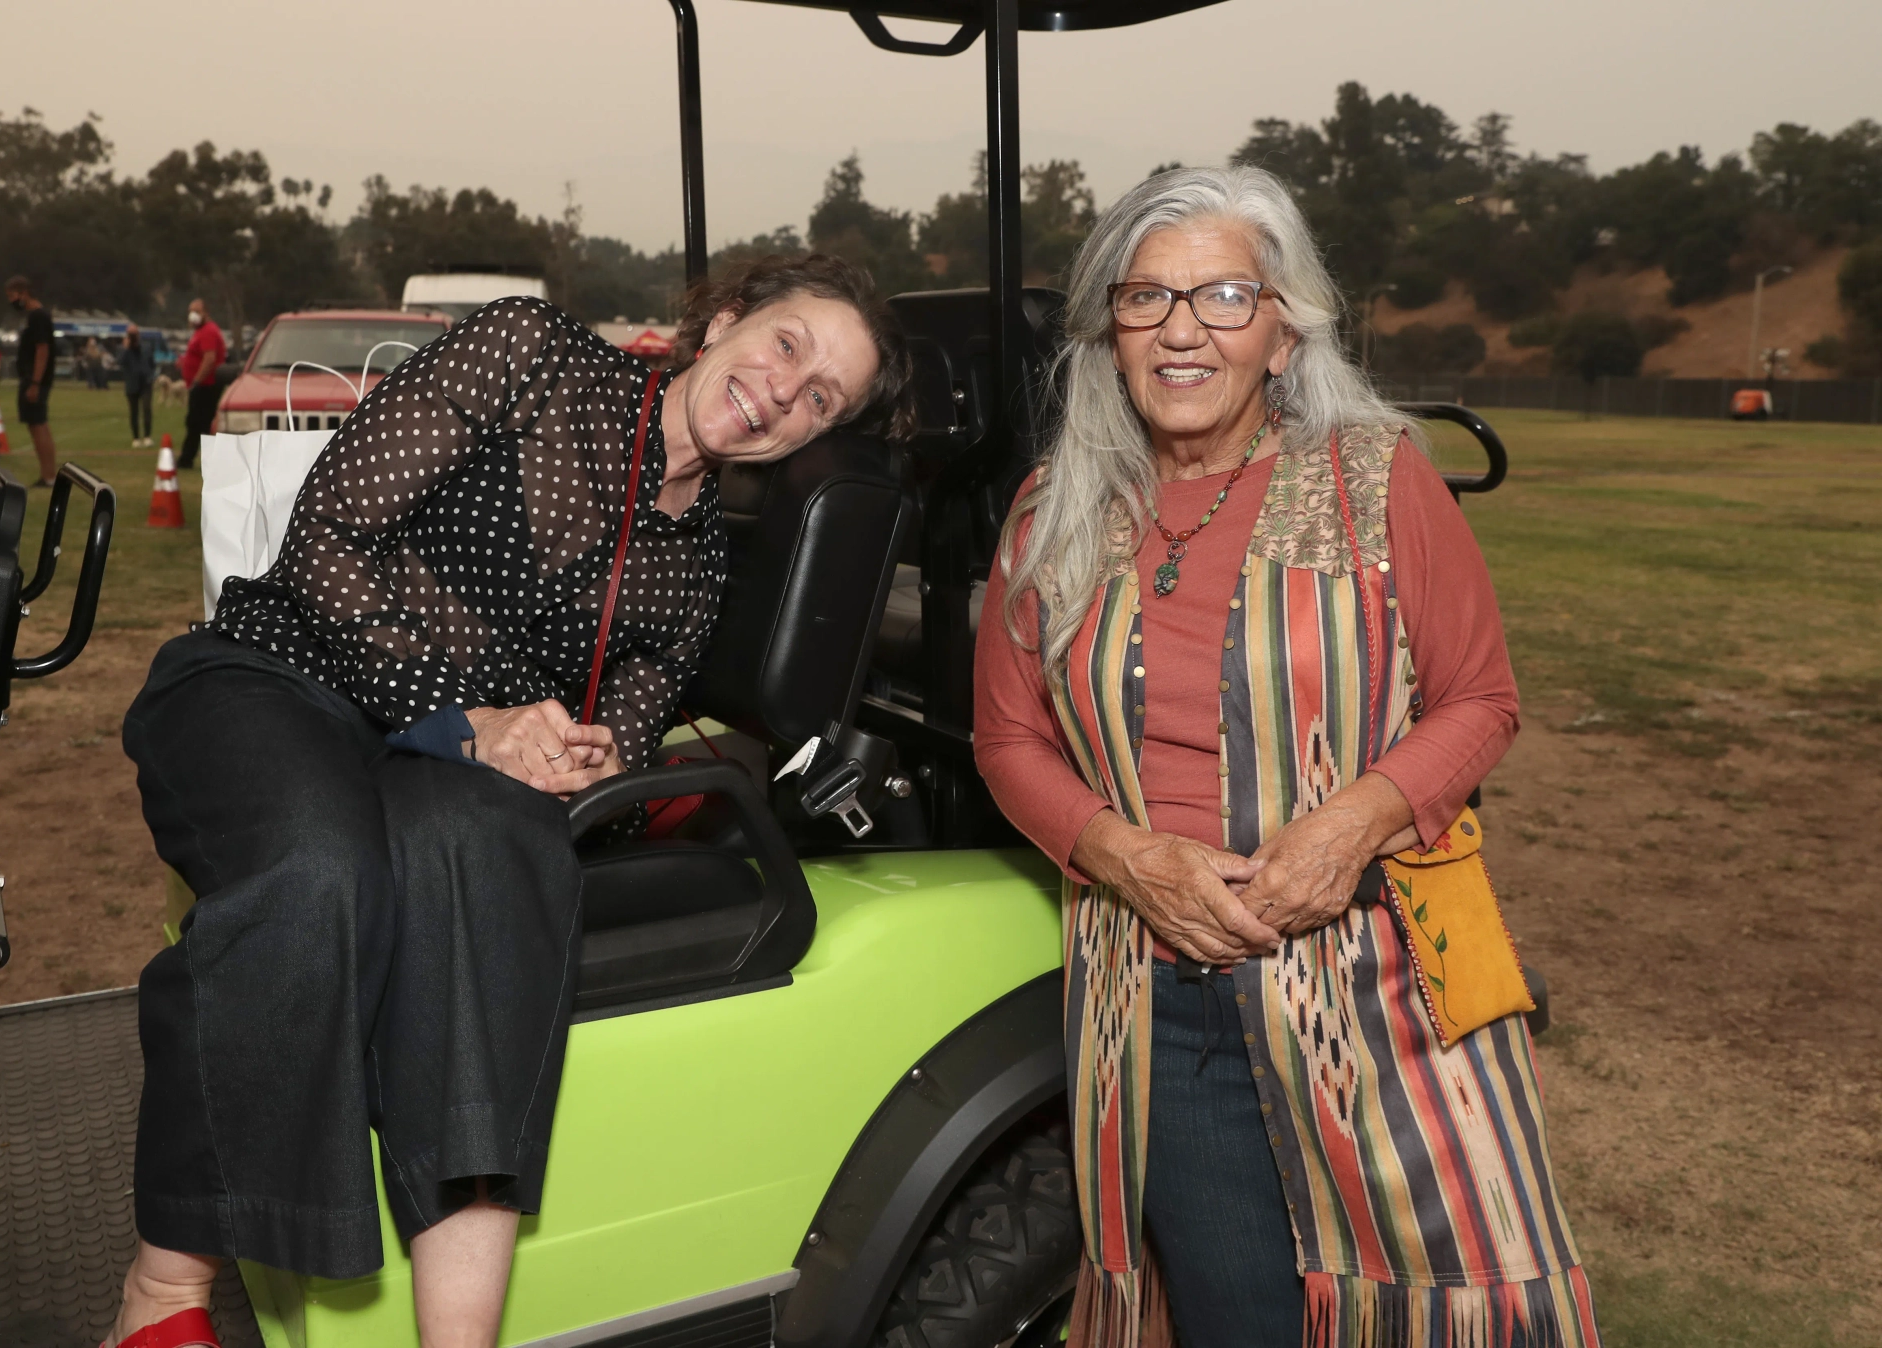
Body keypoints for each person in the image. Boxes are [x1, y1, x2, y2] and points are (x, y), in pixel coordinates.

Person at [108, 254, 913, 1348]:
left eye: (821, 396)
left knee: (495, 857)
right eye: (785, 344)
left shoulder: (697, 565)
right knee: (322, 865)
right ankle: (159, 1297)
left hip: (439, 767)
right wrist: (469, 717)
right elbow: (330, 538)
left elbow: (617, 742)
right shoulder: (528, 354)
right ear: (724, 319)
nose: (784, 389)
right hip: (278, 677)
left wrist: (582, 764)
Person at [973, 166, 1599, 1348]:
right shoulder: (1054, 506)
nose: (1182, 330)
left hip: (1379, 980)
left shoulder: (1378, 481)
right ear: (1109, 335)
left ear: (1282, 327)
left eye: (1221, 296)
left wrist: (1353, 820)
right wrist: (1126, 856)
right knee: (1239, 1315)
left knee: (1456, 1309)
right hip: (1154, 994)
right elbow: (1007, 739)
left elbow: (1481, 699)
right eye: (1147, 300)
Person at [4, 276, 58, 486]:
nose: (11, 301)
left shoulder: (38, 317)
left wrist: (35, 382)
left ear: (23, 293)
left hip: (35, 380)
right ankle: (47, 474)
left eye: (12, 296)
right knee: (35, 426)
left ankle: (49, 475)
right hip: (32, 379)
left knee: (38, 425)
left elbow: (42, 349)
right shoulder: (35, 317)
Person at [176, 297, 227, 469]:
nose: (193, 315)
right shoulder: (200, 332)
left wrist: (196, 381)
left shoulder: (208, 331)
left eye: (197, 311)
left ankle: (187, 459)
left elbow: (209, 359)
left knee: (197, 422)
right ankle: (206, 459)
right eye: (191, 311)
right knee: (201, 423)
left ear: (206, 313)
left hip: (206, 385)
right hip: (202, 385)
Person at [119, 325, 157, 446]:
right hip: (132, 384)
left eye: (134, 334)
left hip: (145, 383)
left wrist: (150, 376)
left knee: (146, 409)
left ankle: (147, 436)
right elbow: (120, 362)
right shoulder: (124, 349)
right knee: (134, 412)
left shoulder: (146, 347)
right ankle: (135, 438)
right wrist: (126, 348)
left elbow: (152, 363)